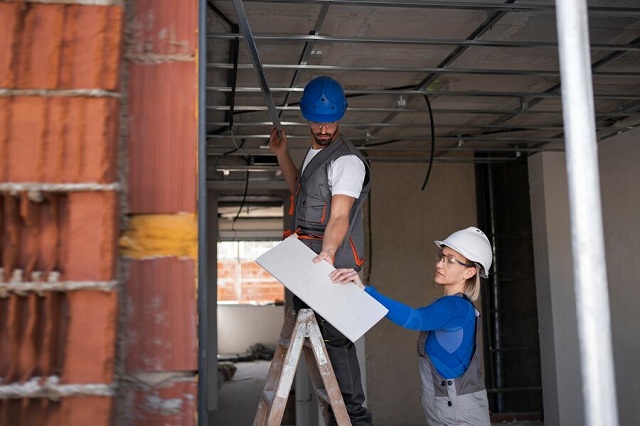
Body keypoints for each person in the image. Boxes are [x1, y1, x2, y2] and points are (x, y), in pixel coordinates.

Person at [269, 75, 373, 425]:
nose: (324, 127)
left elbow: (340, 214)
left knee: (337, 349)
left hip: (330, 269)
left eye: (329, 121)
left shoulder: (346, 162)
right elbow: (301, 191)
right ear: (307, 118)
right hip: (307, 270)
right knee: (321, 350)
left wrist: (327, 253)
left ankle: (357, 421)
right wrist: (282, 155)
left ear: (341, 116)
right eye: (316, 120)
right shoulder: (317, 154)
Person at [330, 227, 493, 425]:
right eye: (441, 256)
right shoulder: (457, 307)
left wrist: (366, 291)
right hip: (452, 407)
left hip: (458, 413)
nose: (440, 264)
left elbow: (415, 319)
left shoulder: (454, 307)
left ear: (470, 271)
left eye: (451, 260)